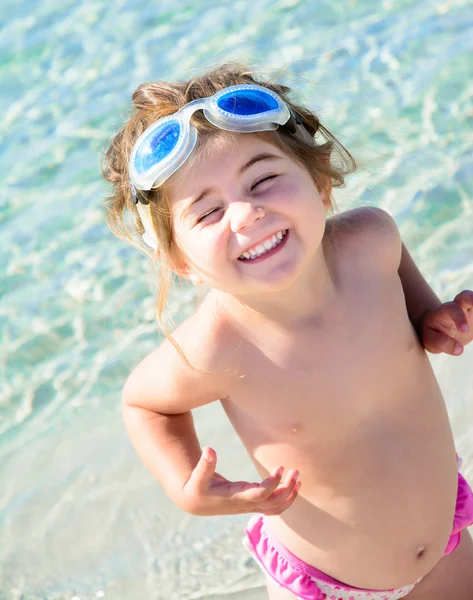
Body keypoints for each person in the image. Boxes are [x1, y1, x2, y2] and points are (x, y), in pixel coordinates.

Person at [101, 64, 473, 599]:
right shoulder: (217, 344)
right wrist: (187, 488)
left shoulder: (373, 241)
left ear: (320, 184)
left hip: (448, 544)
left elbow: (419, 318)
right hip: (332, 585)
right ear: (181, 260)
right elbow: (144, 402)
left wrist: (437, 322)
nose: (247, 214)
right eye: (207, 213)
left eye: (263, 180)